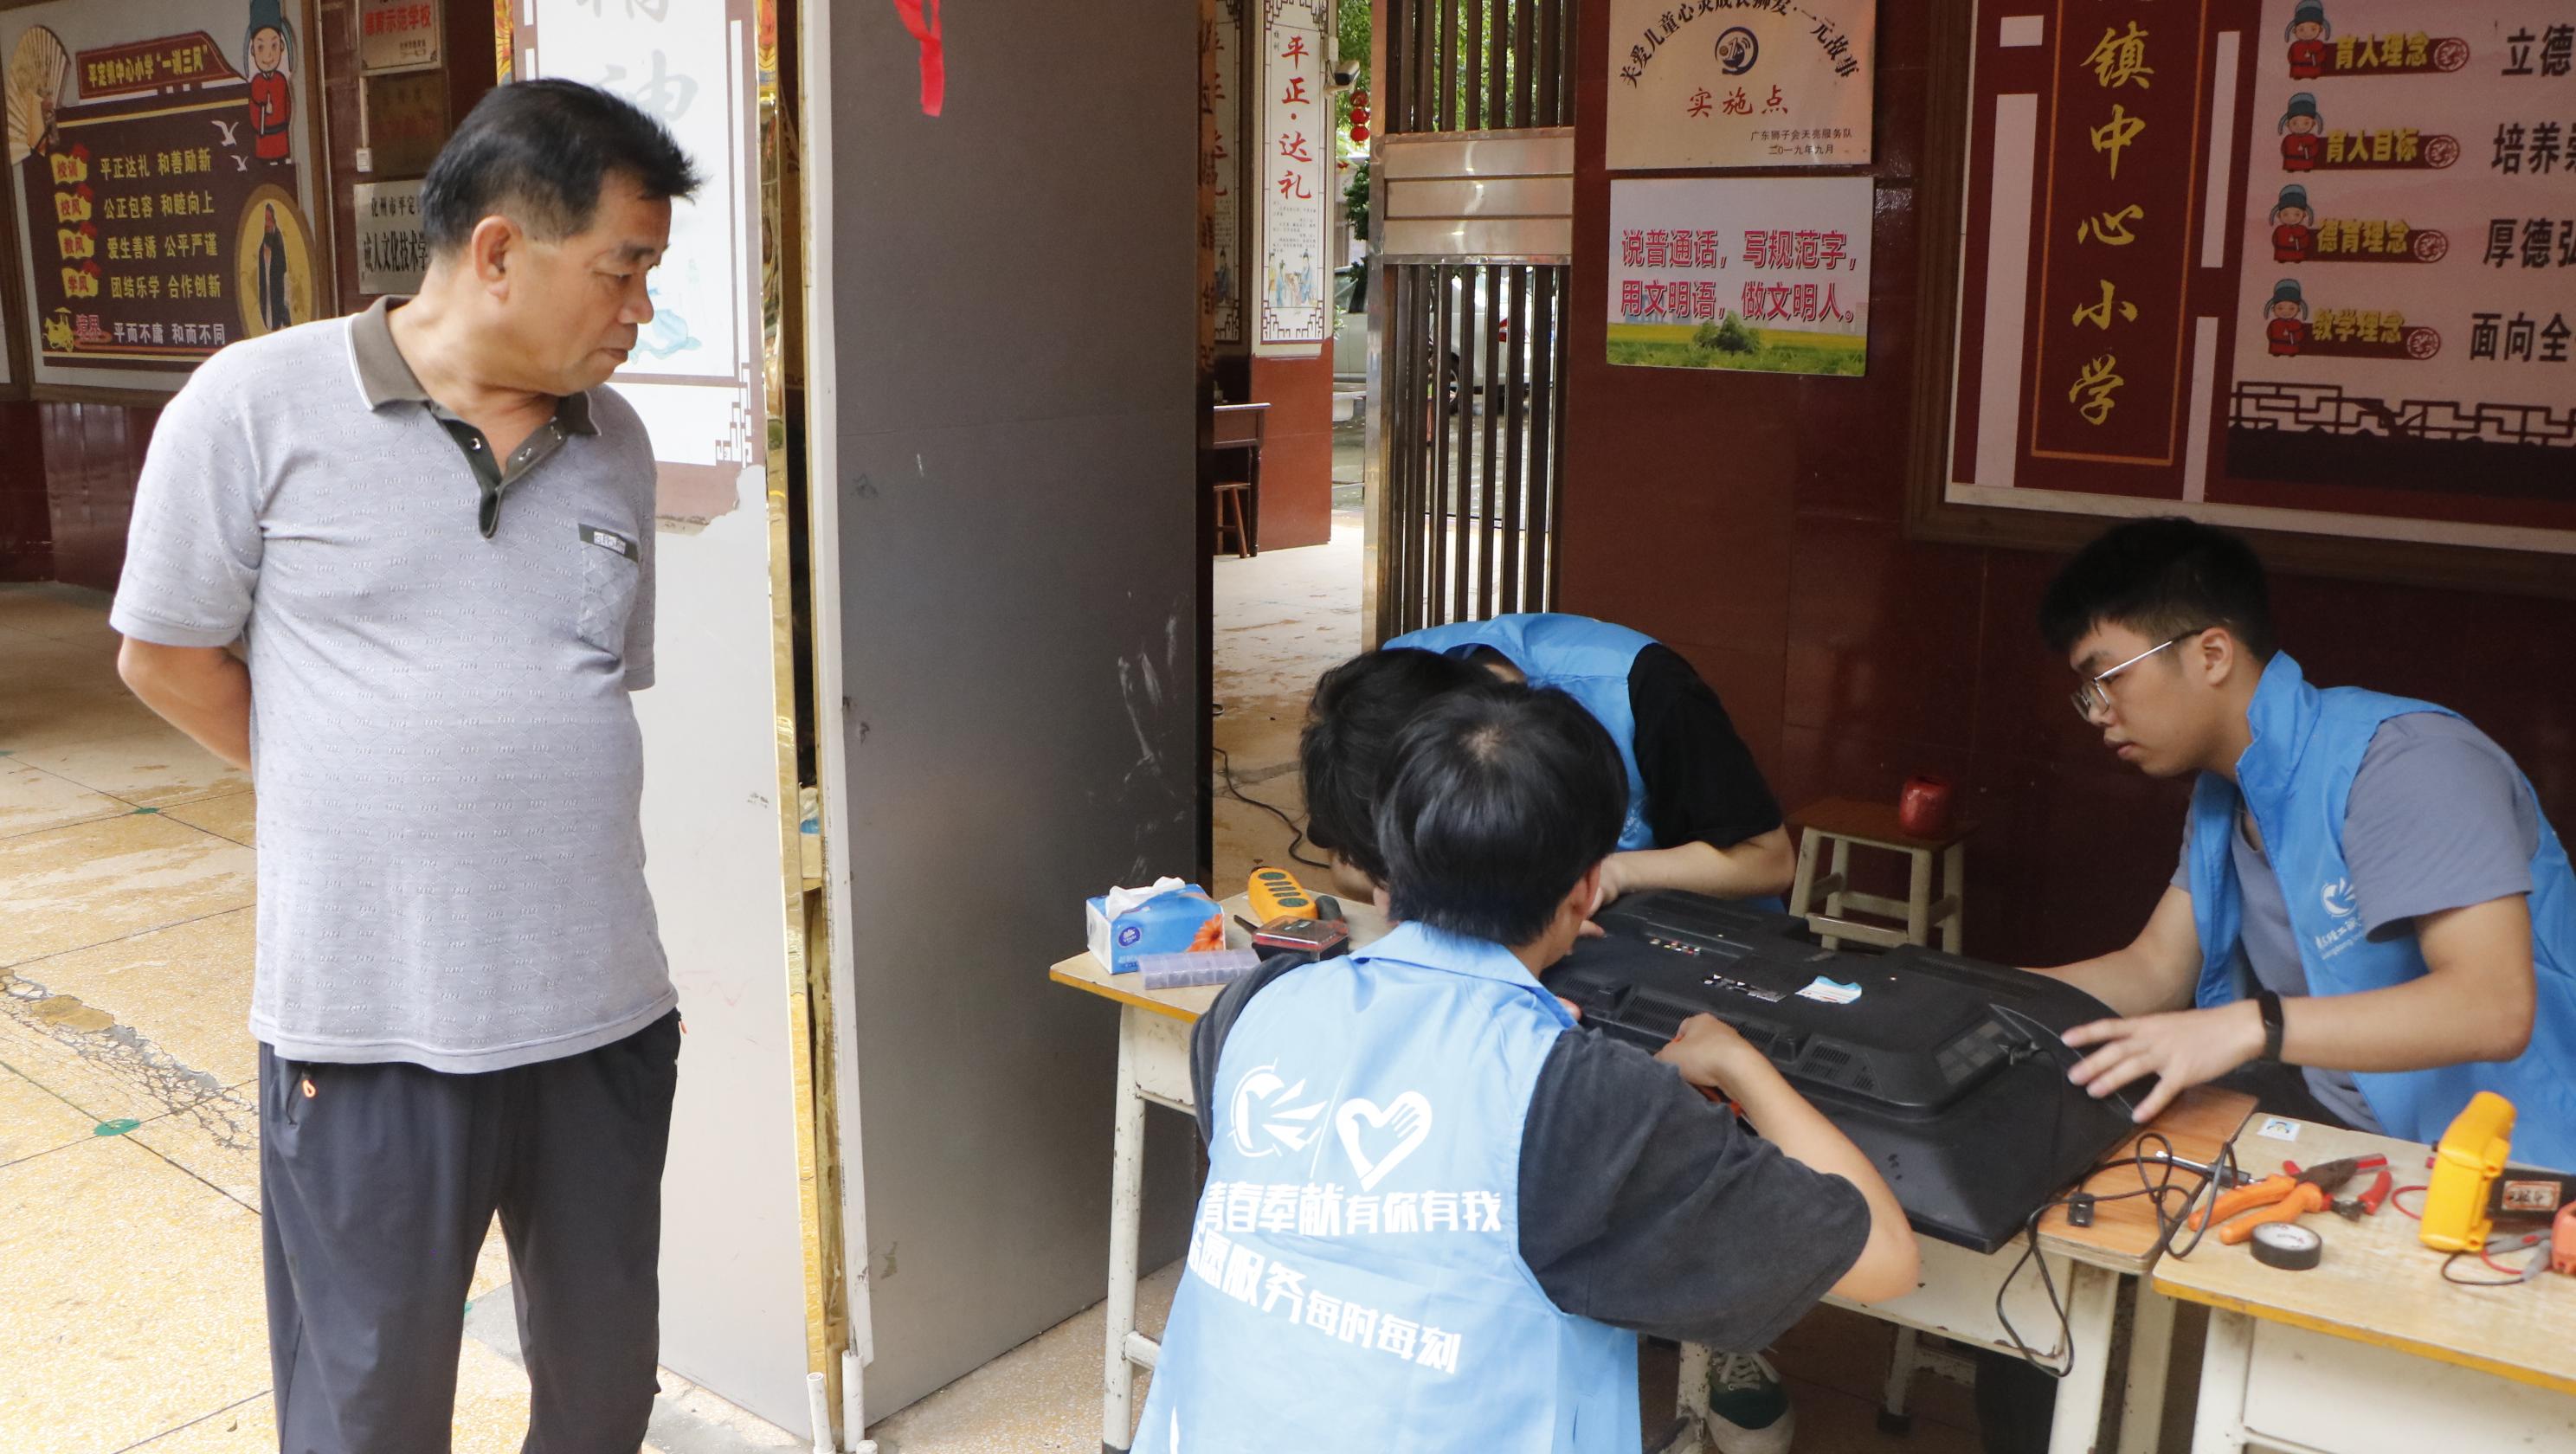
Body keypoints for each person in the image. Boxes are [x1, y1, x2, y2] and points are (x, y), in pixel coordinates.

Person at [110, 80, 699, 1452]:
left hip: (599, 1015)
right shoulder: (253, 406)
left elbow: (590, 685)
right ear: (498, 252)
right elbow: (165, 657)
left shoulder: (613, 443)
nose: (640, 310)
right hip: (371, 1026)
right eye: (622, 270)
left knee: (605, 1389)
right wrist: (337, 778)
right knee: (367, 1407)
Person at [1138, 683, 1917, 1453]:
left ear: (1382, 868)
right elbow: (1884, 1261)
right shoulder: (1580, 1099)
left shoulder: (1252, 1008)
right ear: (1587, 891)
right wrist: (1737, 1061)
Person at [2028, 518, 2575, 1168]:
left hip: (2521, 1158)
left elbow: (2492, 1008)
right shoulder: (2226, 793)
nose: (2098, 712)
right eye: (2087, 691)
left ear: (2212, 654)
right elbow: (2155, 971)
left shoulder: (2404, 761)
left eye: (2110, 677)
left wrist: (2252, 1025)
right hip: (2357, 1132)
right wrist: (1967, 993)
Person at [1306, 612, 1796, 909]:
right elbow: (1347, 865)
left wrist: (1613, 874)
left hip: (1691, 938)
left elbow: (1768, 862)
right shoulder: (1373, 702)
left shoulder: (1643, 690)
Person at [2262, 278, 2309, 358]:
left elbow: (2300, 334)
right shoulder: (2274, 323)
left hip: (2291, 346)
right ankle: (2276, 352)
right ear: (2273, 309)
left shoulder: (2296, 323)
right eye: (2280, 308)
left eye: (2292, 308)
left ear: (2298, 309)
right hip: (2276, 345)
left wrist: (2293, 337)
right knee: (2276, 350)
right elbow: (2269, 333)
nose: (2286, 312)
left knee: (2291, 350)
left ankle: (2291, 352)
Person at [2270, 184, 2316, 263]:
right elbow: (2274, 240)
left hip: (2297, 252)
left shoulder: (2302, 229)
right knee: (2282, 256)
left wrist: (2298, 243)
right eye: (2285, 214)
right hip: (2281, 252)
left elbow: (2306, 241)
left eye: (2297, 214)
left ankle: (2296, 259)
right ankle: (2282, 259)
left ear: (2304, 215)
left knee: (2297, 257)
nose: (2291, 218)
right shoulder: (2279, 229)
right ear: (2279, 215)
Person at [2285, 2, 2331, 80]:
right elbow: (2290, 56)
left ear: (2320, 29)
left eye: (2313, 29)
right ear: (2294, 31)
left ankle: (2312, 75)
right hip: (2297, 69)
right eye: (2301, 29)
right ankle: (2298, 75)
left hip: (2313, 68)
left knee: (2313, 72)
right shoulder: (2295, 45)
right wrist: (2294, 61)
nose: (2307, 33)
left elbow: (2322, 55)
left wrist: (2314, 58)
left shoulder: (2318, 44)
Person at [2278, 93, 2323, 172]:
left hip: (2306, 162)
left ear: (2313, 124)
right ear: (2288, 124)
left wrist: (2308, 153)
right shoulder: (2288, 139)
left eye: (2306, 123)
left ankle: (2305, 168)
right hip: (2290, 162)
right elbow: (2283, 149)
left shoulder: (2311, 138)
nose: (2300, 127)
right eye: (2294, 123)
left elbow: (2314, 149)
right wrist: (2287, 154)